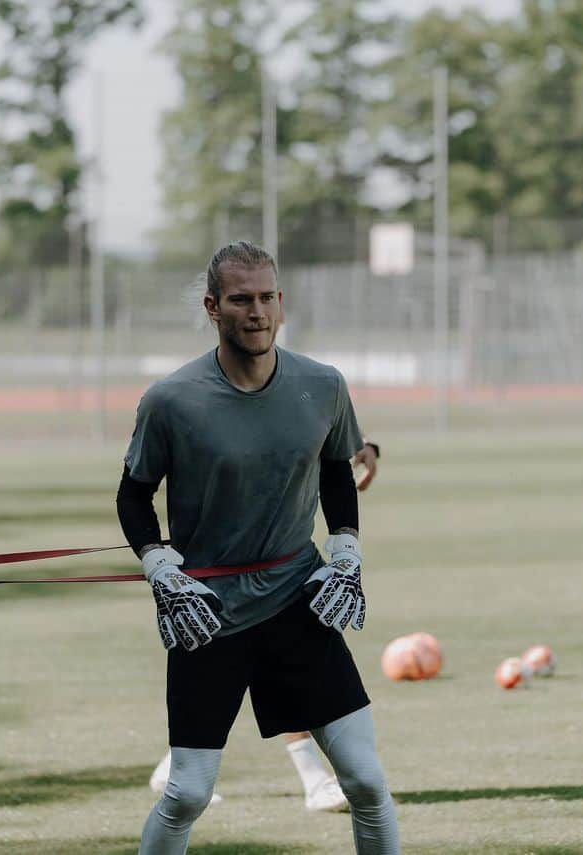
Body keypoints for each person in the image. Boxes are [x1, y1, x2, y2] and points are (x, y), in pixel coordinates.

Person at [116, 240, 399, 855]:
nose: (257, 312)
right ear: (214, 308)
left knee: (367, 781)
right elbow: (133, 496)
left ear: (281, 302)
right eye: (241, 300)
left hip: (298, 598)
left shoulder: (322, 384)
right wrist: (158, 563)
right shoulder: (170, 399)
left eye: (268, 297)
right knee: (188, 793)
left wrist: (346, 549)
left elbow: (334, 471)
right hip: (207, 614)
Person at [147, 441, 381, 813]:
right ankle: (314, 782)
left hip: (265, 558)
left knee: (248, 672)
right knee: (258, 668)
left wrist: (359, 444)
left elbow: (308, 416)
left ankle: (175, 766)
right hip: (226, 561)